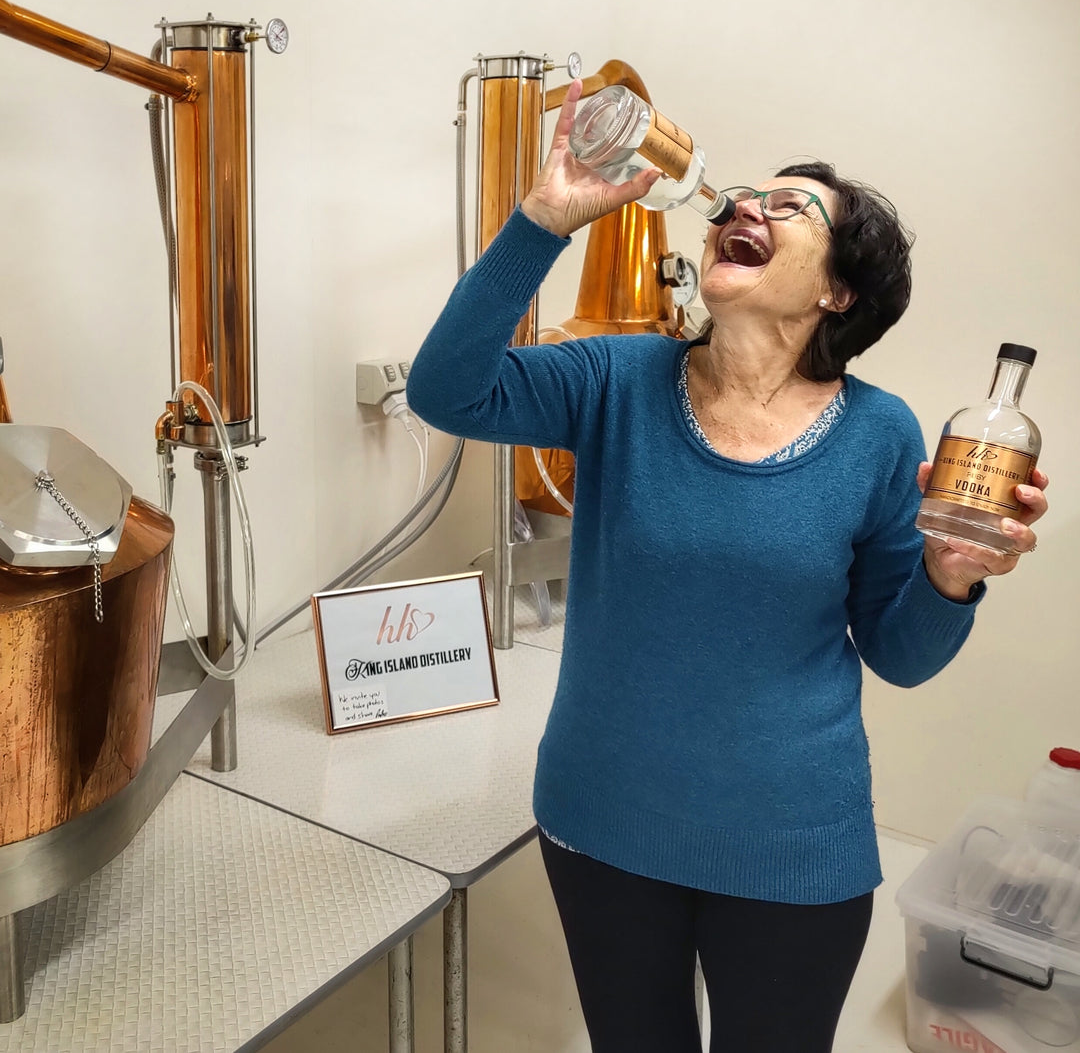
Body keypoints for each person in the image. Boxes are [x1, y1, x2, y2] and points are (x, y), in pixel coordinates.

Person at [405, 79, 1050, 1053]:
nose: (745, 206)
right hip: (602, 825)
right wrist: (545, 218)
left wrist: (953, 574)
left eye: (789, 207)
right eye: (744, 196)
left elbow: (900, 654)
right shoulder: (616, 378)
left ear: (838, 291)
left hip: (792, 853)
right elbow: (447, 389)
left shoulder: (880, 432)